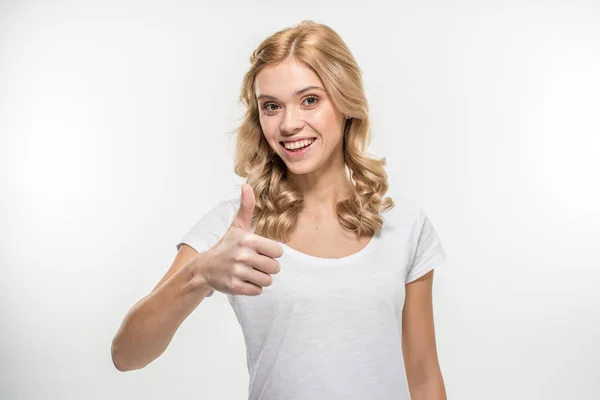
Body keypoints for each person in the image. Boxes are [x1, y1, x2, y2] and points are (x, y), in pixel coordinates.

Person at [111, 20, 448, 400]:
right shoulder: (233, 228)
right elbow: (127, 354)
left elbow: (422, 377)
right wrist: (199, 274)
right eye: (271, 106)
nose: (288, 124)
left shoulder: (405, 225)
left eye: (309, 100)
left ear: (345, 102)